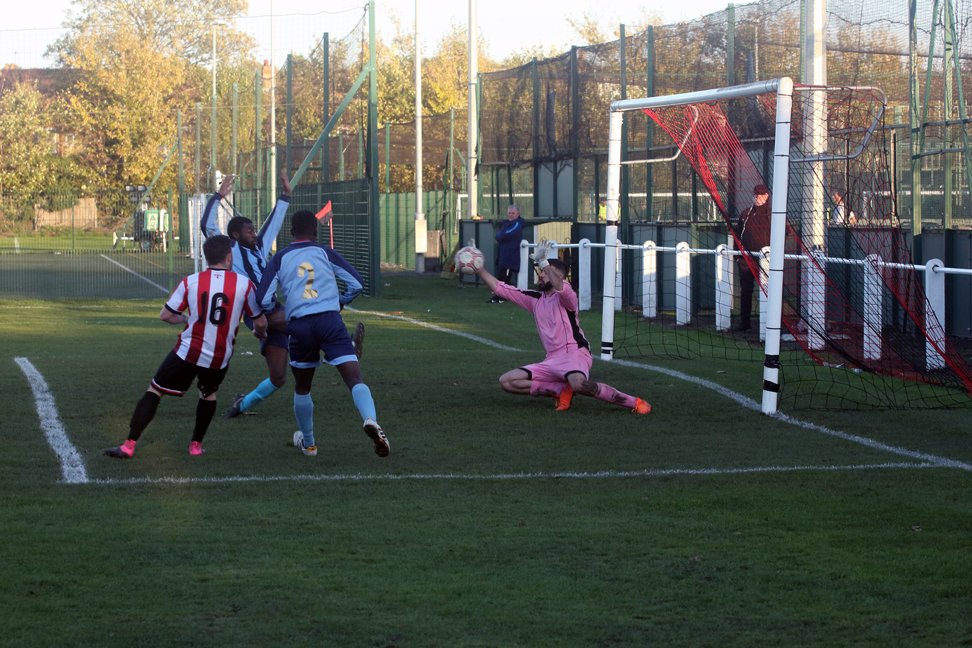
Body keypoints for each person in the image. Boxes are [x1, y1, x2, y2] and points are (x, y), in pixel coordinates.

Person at [201, 170, 365, 419]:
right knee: (307, 320)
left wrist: (286, 196)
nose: (254, 233)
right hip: (256, 311)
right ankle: (342, 345)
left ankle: (241, 405)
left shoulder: (259, 246)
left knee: (278, 377)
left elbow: (274, 223)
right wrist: (218, 196)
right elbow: (207, 226)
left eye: (253, 229)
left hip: (272, 309)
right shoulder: (230, 248)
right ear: (234, 235)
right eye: (248, 230)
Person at [104, 235, 268, 459]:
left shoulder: (191, 281)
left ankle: (128, 446)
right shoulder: (244, 284)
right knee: (208, 394)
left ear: (206, 257)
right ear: (229, 257)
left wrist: (185, 319)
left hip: (188, 352)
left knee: (155, 390)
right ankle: (195, 446)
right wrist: (260, 334)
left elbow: (165, 315)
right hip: (219, 356)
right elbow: (260, 322)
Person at [256, 210, 389, 458]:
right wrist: (341, 301)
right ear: (315, 232)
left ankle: (309, 444)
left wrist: (276, 308)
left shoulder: (280, 258)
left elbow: (262, 298)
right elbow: (357, 283)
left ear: (291, 232)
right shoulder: (324, 252)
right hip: (329, 320)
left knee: (303, 387)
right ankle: (370, 419)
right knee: (354, 378)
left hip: (299, 326)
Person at [473, 243, 651, 414]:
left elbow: (560, 286)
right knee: (507, 381)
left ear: (559, 276)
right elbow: (501, 289)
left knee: (579, 384)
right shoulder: (534, 299)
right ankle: (559, 390)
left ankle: (634, 402)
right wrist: (479, 269)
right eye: (542, 272)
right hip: (552, 359)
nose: (541, 275)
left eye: (546, 272)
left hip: (574, 353)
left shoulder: (567, 295)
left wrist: (544, 262)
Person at [733, 183, 772, 332]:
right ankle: (745, 324)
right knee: (746, 292)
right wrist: (737, 256)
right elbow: (737, 235)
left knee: (769, 292)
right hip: (746, 260)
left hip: (766, 261)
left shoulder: (772, 215)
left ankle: (770, 325)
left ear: (766, 196)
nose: (757, 197)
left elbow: (783, 234)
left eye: (760, 194)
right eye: (755, 194)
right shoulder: (745, 214)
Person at [488, 204, 526, 303]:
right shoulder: (506, 223)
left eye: (513, 213)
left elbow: (502, 235)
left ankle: (503, 297)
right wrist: (500, 235)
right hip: (503, 256)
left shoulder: (517, 224)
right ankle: (498, 296)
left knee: (505, 278)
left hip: (511, 257)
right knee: (501, 277)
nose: (511, 215)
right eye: (509, 213)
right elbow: (498, 235)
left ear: (518, 214)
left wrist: (500, 235)